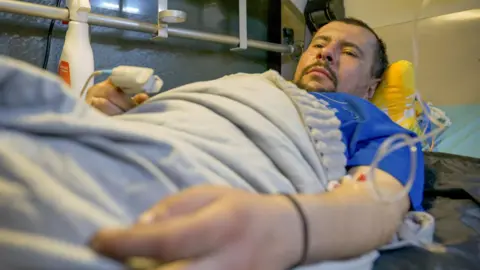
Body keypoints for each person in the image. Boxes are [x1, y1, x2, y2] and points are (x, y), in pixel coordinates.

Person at [83, 18, 425, 270]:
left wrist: (289, 228)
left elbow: (380, 203)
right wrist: (123, 113)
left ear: (370, 87)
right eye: (319, 44)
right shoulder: (242, 83)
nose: (327, 54)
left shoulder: (374, 123)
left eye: (349, 52)